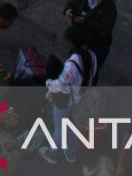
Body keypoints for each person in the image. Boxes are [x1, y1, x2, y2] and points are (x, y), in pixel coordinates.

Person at [38, 24, 98, 165]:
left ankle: (52, 154)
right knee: (74, 126)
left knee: (60, 127)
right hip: (82, 98)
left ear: (72, 42)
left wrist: (48, 82)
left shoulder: (71, 63)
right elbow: (94, 75)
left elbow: (60, 85)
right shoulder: (92, 55)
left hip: (67, 101)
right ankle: (71, 154)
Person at [63, 0, 118, 72]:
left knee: (92, 69)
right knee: (73, 65)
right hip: (80, 38)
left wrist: (86, 22)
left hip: (98, 43)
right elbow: (70, 4)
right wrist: (68, 10)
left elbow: (106, 27)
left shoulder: (109, 7)